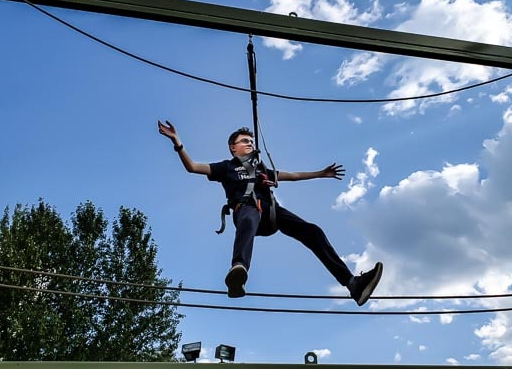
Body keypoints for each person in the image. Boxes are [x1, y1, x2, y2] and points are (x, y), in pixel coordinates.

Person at [158, 120, 383, 305]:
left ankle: (353, 285)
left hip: (273, 214)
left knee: (313, 232)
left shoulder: (262, 169)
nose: (249, 143)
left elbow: (292, 175)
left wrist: (320, 173)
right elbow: (193, 167)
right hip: (246, 209)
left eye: (251, 141)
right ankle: (239, 269)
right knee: (248, 217)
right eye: (244, 141)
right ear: (232, 147)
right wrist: (178, 143)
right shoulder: (226, 167)